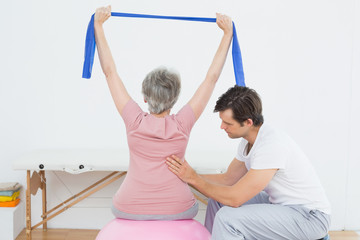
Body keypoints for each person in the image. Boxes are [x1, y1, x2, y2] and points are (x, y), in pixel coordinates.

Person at [94, 5, 233, 220]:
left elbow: (109, 72)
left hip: (129, 206)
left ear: (145, 98)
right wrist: (227, 34)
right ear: (175, 99)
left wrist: (98, 25)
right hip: (178, 208)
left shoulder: (134, 119)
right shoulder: (183, 122)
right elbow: (211, 78)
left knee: (116, 204)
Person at [166, 85, 331, 239]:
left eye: (228, 123)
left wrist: (193, 178)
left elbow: (235, 198)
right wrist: (185, 176)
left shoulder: (271, 145)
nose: (222, 127)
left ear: (248, 122)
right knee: (218, 201)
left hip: (310, 217)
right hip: (281, 205)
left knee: (227, 217)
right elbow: (228, 180)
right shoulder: (248, 140)